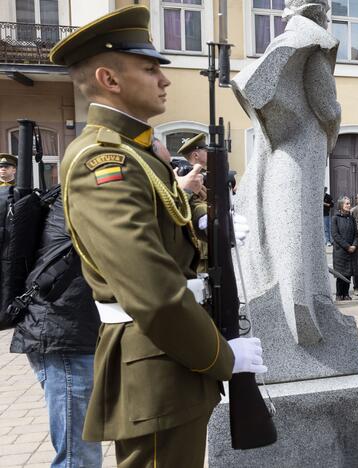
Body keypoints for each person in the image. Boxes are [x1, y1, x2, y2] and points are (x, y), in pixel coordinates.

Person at [49, 6, 265, 465]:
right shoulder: (103, 161)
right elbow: (150, 290)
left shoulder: (137, 153)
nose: (164, 79)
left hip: (173, 351)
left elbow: (167, 227)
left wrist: (204, 221)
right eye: (150, 69)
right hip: (157, 356)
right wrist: (222, 355)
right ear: (110, 79)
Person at [11, 194, 103, 467]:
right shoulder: (81, 201)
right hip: (62, 336)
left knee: (81, 448)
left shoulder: (73, 197)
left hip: (67, 332)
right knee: (77, 455)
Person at [331, 196, 357, 301]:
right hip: (340, 250)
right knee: (340, 274)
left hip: (351, 250)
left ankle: (346, 293)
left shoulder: (351, 218)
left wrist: (354, 245)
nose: (349, 205)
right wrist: (347, 246)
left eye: (349, 203)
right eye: (346, 203)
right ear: (341, 205)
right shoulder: (335, 218)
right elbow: (335, 234)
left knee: (348, 273)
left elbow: (356, 233)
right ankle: (339, 294)